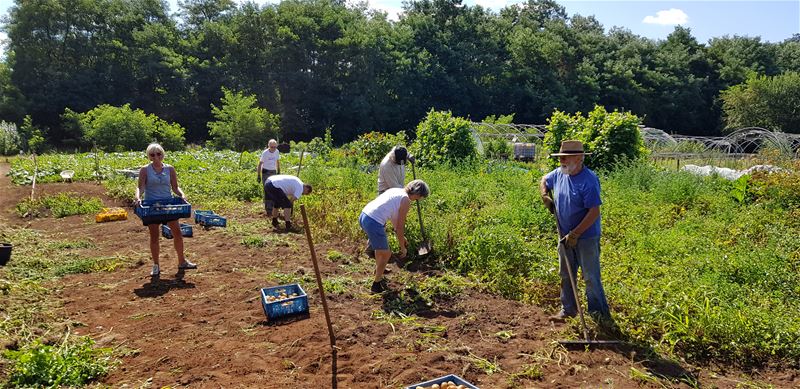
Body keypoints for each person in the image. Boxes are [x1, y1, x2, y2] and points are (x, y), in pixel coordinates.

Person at [539, 140, 610, 321]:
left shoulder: (589, 181)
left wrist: (576, 233)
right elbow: (544, 180)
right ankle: (568, 309)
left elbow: (594, 212)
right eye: (560, 157)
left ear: (579, 158)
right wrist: (545, 195)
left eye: (565, 157)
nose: (561, 161)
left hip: (586, 237)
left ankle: (598, 315)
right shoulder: (560, 173)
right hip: (564, 235)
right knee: (566, 273)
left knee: (590, 277)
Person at [135, 143, 197, 277]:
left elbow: (175, 187)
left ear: (162, 154)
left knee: (177, 233)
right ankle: (156, 265)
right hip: (152, 207)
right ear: (149, 156)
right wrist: (138, 197)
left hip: (168, 205)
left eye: (158, 154)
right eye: (152, 154)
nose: (156, 157)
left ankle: (182, 261)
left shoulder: (170, 169)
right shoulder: (145, 170)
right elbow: (140, 187)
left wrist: (182, 194)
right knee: (154, 236)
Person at [360, 179, 430, 293]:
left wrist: (401, 236)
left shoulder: (396, 190)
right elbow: (401, 227)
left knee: (380, 249)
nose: (418, 200)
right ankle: (376, 285)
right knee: (386, 253)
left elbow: (395, 220)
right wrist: (403, 248)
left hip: (364, 215)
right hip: (374, 222)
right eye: (420, 197)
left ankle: (378, 271)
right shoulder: (406, 200)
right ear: (417, 194)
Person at [258, 139, 281, 216]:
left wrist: (279, 171)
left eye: (274, 147)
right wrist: (258, 175)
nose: (273, 148)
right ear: (269, 146)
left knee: (274, 189)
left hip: (273, 172)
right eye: (271, 147)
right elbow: (260, 164)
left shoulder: (277, 151)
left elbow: (277, 161)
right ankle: (268, 209)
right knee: (267, 190)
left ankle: (274, 207)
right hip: (266, 172)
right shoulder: (265, 153)